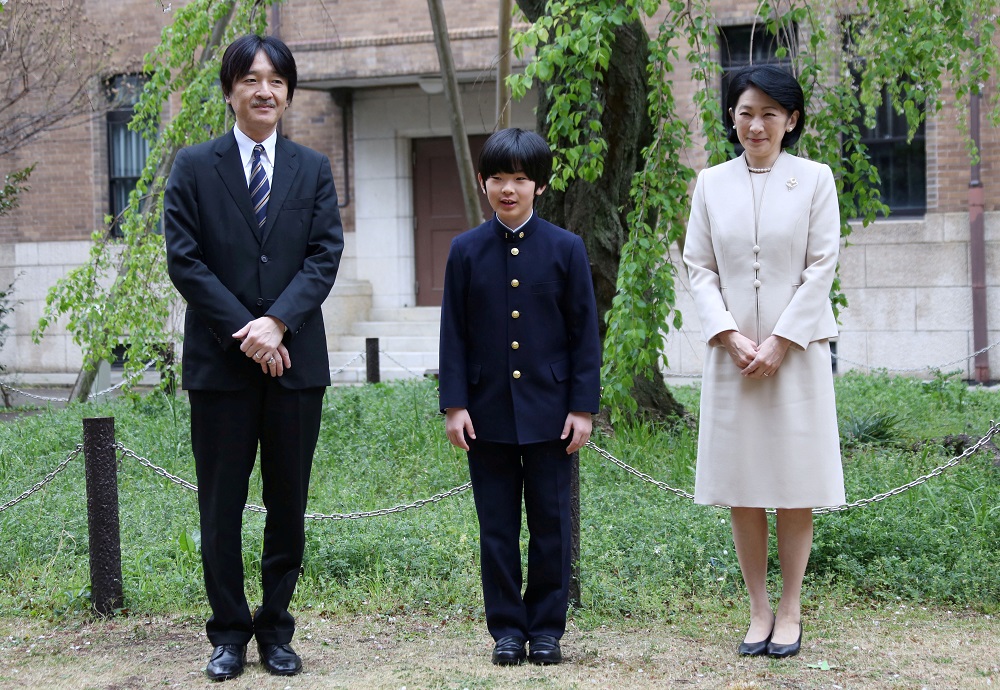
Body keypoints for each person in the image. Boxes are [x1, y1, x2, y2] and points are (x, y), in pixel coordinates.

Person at [164, 34, 344, 681]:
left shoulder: (311, 168)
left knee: (288, 504)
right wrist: (249, 330)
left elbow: (324, 256)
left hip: (296, 367)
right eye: (251, 79)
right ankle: (228, 634)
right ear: (230, 89)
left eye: (275, 80)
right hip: (220, 369)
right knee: (220, 505)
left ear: (289, 92)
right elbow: (185, 261)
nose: (264, 90)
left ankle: (275, 629)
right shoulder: (193, 167)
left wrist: (278, 324)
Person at [682, 64, 844, 659]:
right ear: (732, 116)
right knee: (744, 484)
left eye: (770, 114)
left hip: (795, 356)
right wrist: (726, 333)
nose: (757, 124)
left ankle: (792, 606)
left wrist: (781, 341)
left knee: (794, 481)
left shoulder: (816, 179)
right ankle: (757, 608)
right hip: (734, 358)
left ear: (791, 120)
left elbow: (821, 265)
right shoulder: (711, 183)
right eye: (746, 112)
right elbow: (698, 266)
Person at [438, 128, 601, 666]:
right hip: (485, 415)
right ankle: (507, 629)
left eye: (521, 179)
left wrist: (582, 407)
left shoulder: (565, 248)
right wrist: (455, 404)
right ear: (484, 183)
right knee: (498, 528)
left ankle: (548, 629)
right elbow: (454, 334)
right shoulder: (465, 251)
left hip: (553, 412)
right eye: (499, 179)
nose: (509, 189)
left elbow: (584, 333)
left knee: (552, 524)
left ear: (540, 186)